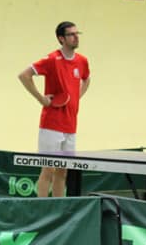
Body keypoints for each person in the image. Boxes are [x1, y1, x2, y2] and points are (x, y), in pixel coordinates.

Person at [17, 21, 91, 197]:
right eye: (71, 34)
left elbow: (87, 79)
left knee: (62, 172)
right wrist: (40, 98)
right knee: (48, 170)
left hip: (71, 125)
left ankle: (59, 208)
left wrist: (76, 96)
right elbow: (24, 75)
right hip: (51, 125)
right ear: (61, 38)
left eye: (77, 33)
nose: (76, 37)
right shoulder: (51, 59)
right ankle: (42, 208)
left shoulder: (82, 61)